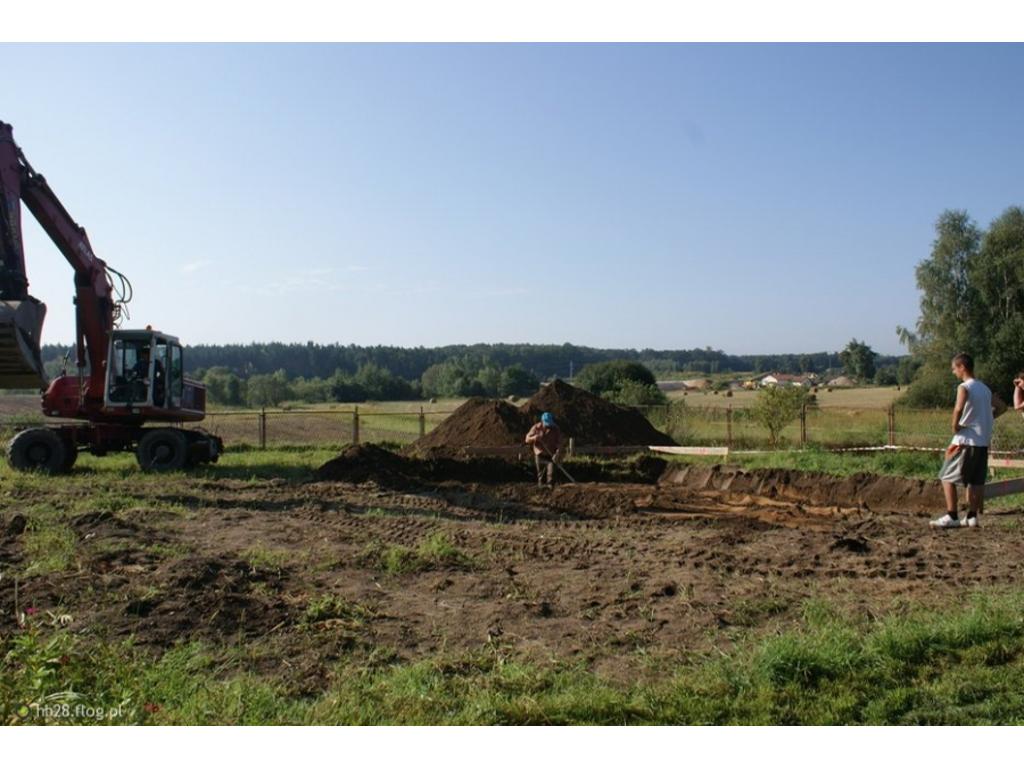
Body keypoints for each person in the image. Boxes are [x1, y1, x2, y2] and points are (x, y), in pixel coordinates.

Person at [930, 353, 1007, 529]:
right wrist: (989, 417)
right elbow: (1003, 407)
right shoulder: (985, 389)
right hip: (982, 442)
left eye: (954, 368)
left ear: (962, 367)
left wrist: (955, 426)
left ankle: (952, 515)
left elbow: (958, 408)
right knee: (976, 481)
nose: (953, 372)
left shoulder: (964, 387)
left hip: (965, 440)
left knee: (945, 476)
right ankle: (972, 516)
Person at [525, 411, 563, 487]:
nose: (548, 425)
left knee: (551, 473)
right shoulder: (536, 428)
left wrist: (557, 454)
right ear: (542, 421)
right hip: (540, 454)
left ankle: (551, 489)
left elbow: (559, 443)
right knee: (541, 475)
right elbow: (527, 439)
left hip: (551, 455)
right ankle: (541, 489)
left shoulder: (556, 429)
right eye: (547, 424)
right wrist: (534, 438)